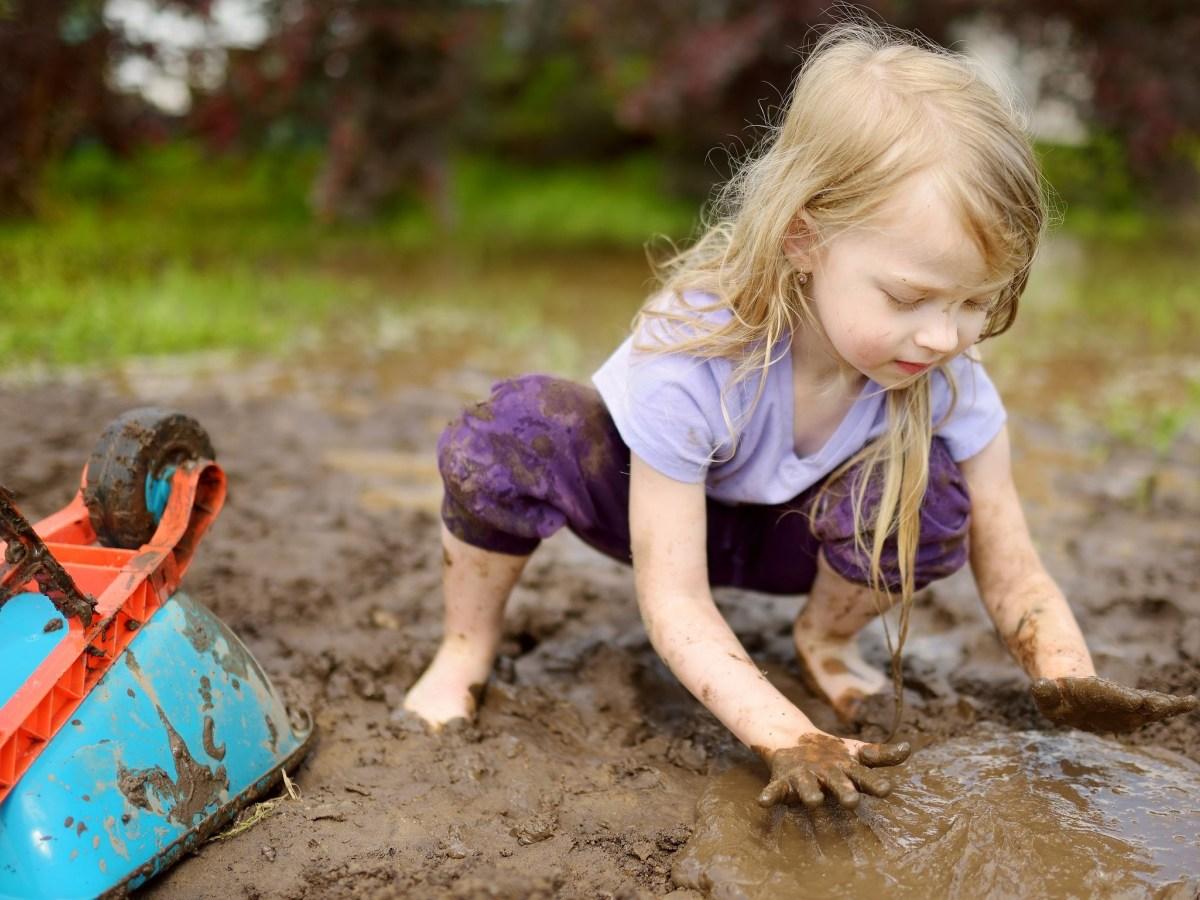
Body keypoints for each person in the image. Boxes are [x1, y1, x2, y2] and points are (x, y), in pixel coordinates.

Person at [403, 21, 1197, 810]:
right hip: (655, 521)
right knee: (512, 430)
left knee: (930, 489)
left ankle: (825, 638)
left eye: (974, 303)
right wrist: (786, 734)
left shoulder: (949, 375)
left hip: (800, 544)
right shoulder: (693, 354)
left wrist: (1065, 672)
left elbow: (1012, 558)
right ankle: (465, 649)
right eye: (909, 297)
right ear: (803, 238)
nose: (942, 336)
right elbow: (674, 601)